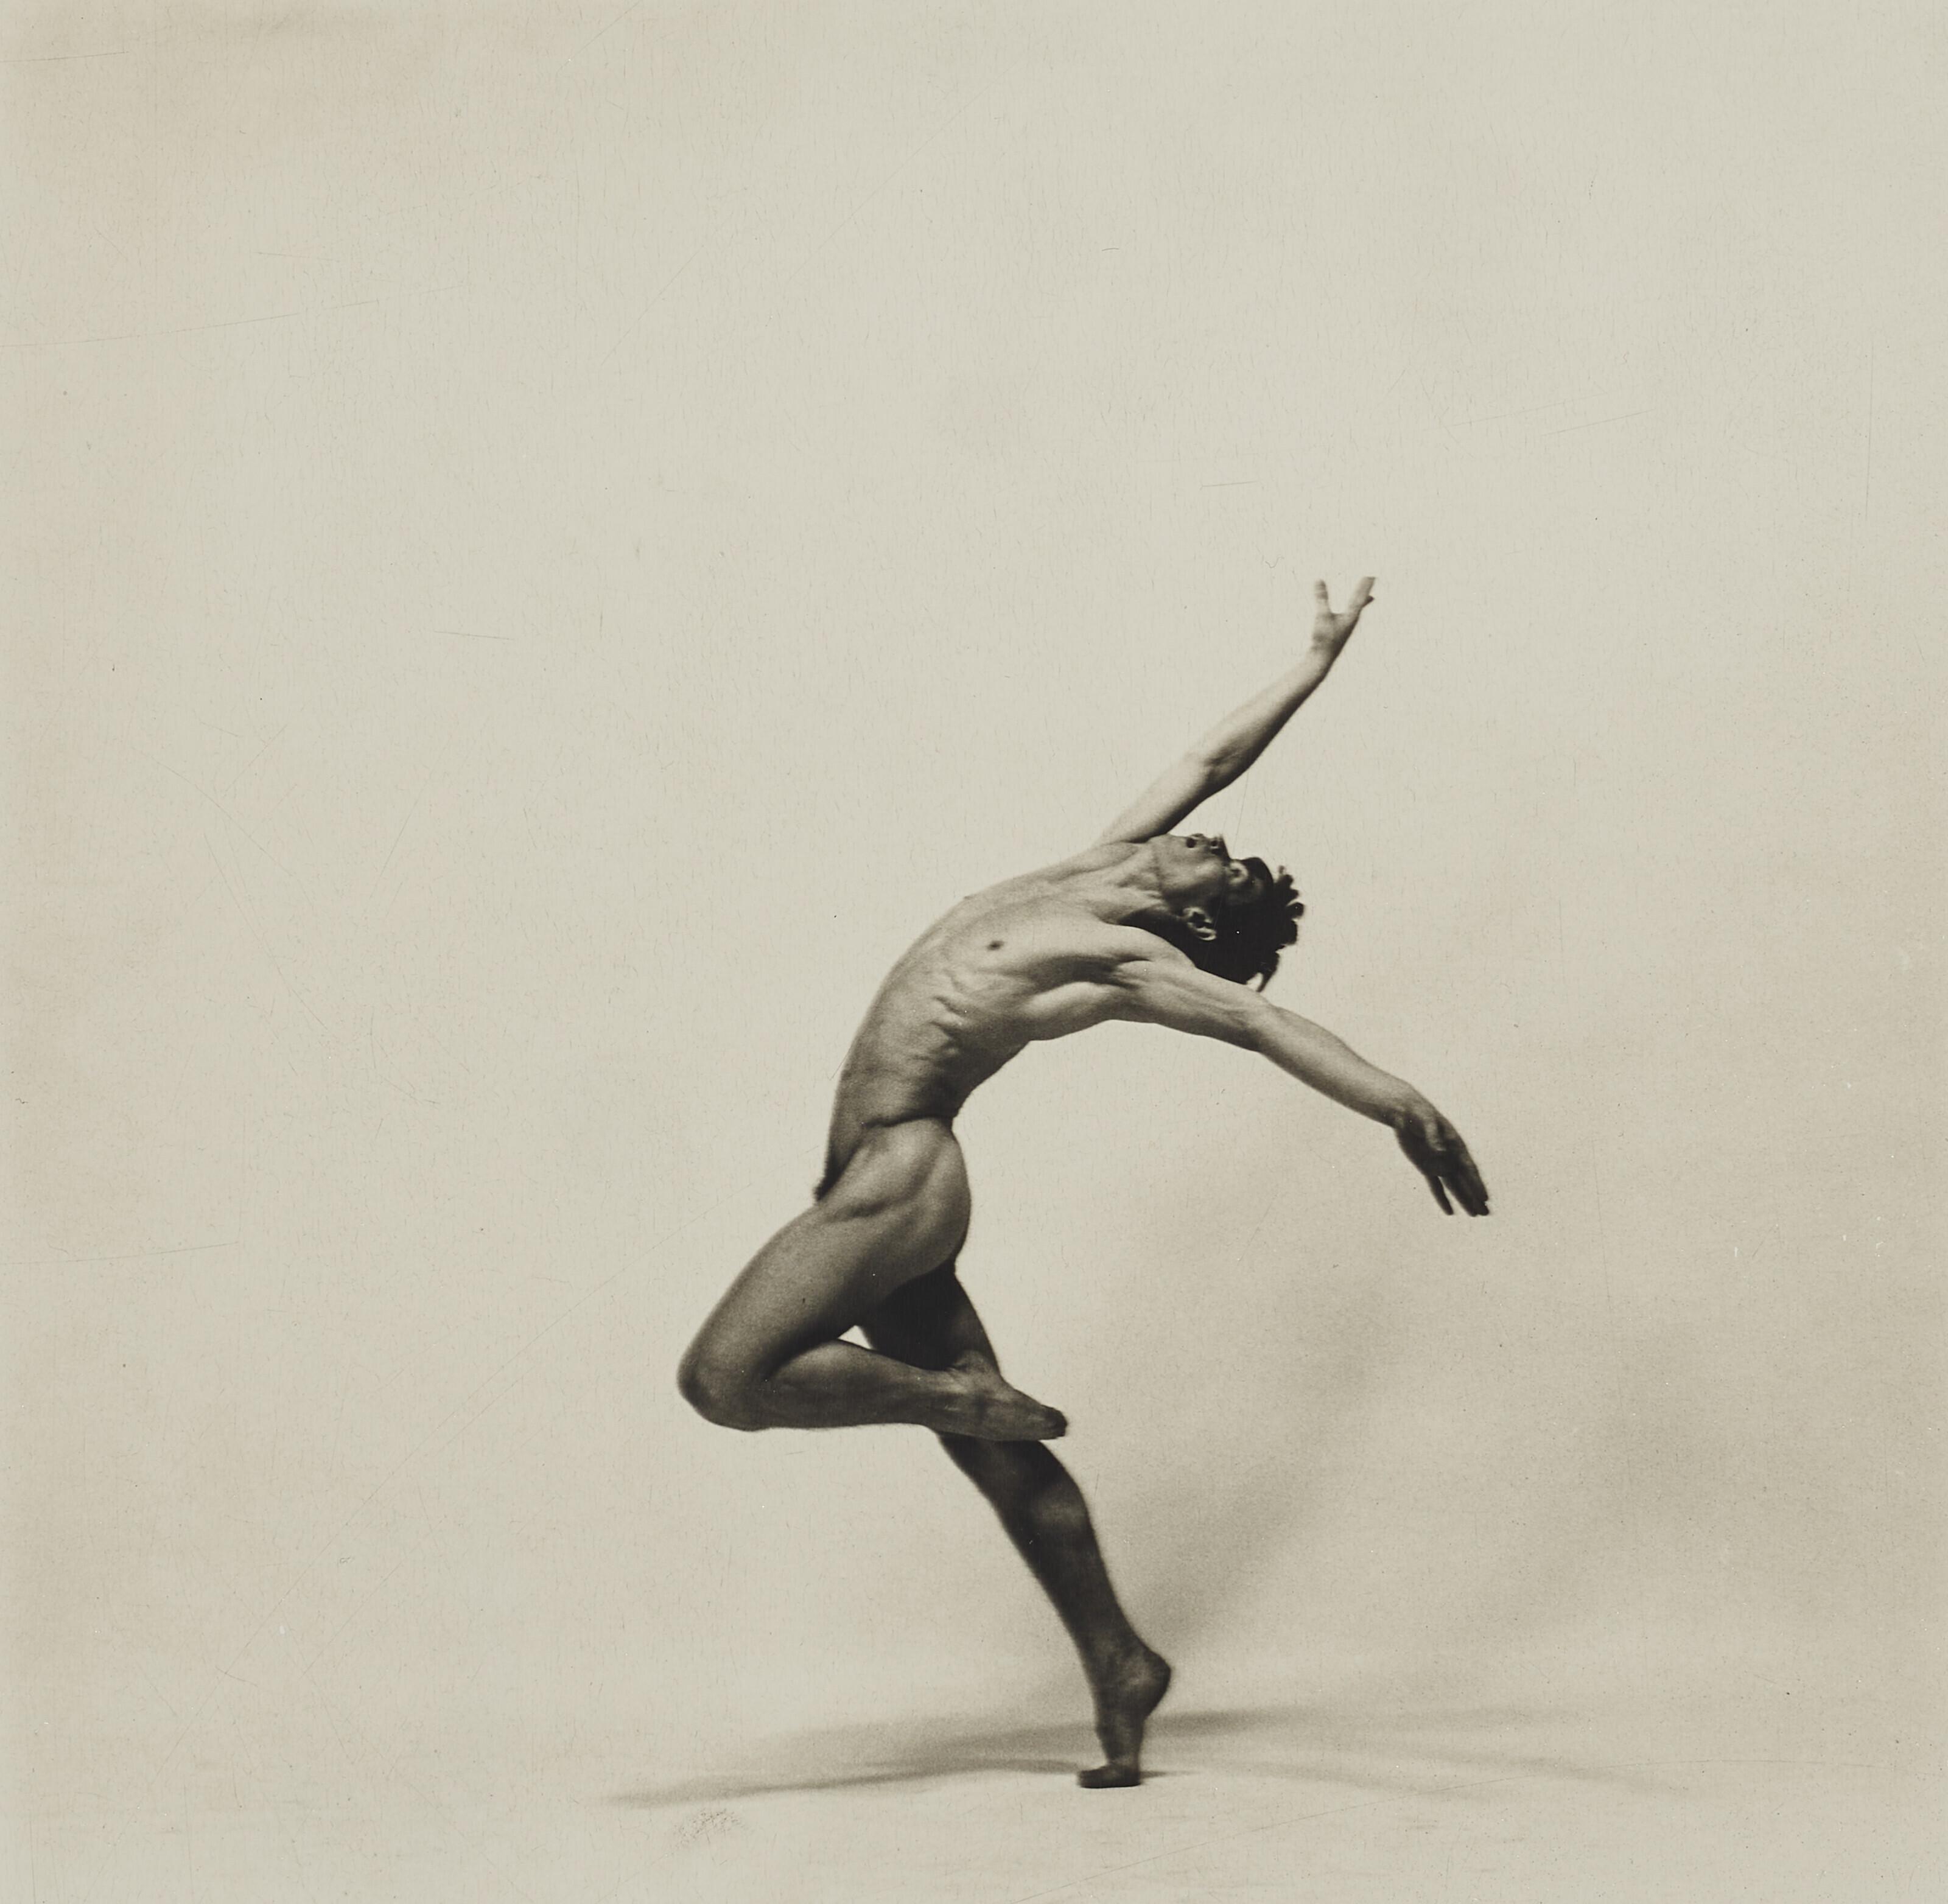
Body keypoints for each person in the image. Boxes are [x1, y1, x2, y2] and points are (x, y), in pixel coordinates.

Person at [678, 577, 1490, 1788]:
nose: (1210, 840)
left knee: (726, 1379)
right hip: (875, 1166)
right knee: (1006, 1465)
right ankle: (1118, 1660)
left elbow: (1264, 1028)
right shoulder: (1094, 867)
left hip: (905, 1170)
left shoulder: (1126, 955)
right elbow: (1211, 756)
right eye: (1211, 843)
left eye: (1219, 869)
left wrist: (1397, 1101)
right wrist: (1315, 661)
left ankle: (959, 1398)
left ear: (1194, 926)